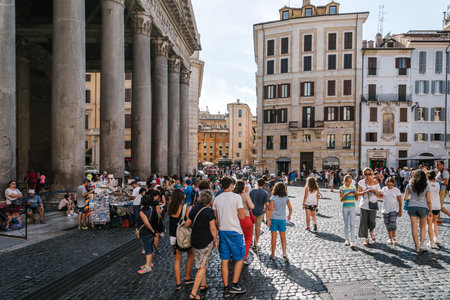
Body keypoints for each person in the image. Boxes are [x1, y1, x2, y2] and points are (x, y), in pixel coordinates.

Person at [213, 176, 247, 296]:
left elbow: (216, 219)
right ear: (231, 185)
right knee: (239, 258)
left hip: (222, 231)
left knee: (224, 260)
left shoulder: (216, 199)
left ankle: (226, 286)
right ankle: (235, 284)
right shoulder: (236, 197)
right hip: (234, 231)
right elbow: (242, 216)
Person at [185, 190, 218, 299]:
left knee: (201, 262)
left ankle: (203, 284)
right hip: (205, 241)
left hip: (195, 239)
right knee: (202, 267)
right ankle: (193, 294)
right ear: (210, 200)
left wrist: (196, 227)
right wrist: (216, 241)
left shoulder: (194, 209)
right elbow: (213, 228)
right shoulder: (209, 212)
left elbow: (187, 224)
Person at [168, 189, 194, 290]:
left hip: (173, 235)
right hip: (183, 235)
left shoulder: (170, 206)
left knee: (177, 259)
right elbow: (188, 221)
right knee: (190, 254)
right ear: (181, 196)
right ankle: (187, 277)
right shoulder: (184, 207)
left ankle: (178, 282)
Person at [404, 170, 432, 252]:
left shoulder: (409, 185)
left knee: (414, 227)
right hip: (423, 207)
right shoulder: (426, 186)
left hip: (412, 206)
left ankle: (416, 247)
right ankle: (422, 244)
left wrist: (411, 198)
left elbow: (405, 198)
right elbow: (429, 200)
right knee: (422, 227)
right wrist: (430, 210)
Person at [267, 182, 292, 262]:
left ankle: (273, 254)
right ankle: (284, 253)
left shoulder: (273, 197)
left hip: (274, 219)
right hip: (282, 219)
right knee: (283, 238)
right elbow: (290, 208)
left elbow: (271, 210)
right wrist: (289, 215)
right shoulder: (286, 197)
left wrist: (268, 220)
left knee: (273, 237)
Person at [358, 167, 383, 246]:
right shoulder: (361, 182)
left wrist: (374, 191)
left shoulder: (375, 181)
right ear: (363, 174)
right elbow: (358, 193)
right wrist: (366, 191)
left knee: (372, 221)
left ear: (372, 174)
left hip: (373, 203)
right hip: (364, 205)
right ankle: (366, 238)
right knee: (364, 222)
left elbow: (380, 193)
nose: (367, 175)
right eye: (366, 174)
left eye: (369, 174)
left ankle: (371, 231)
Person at [233, 180, 254, 264]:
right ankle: (244, 257)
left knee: (236, 238)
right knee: (248, 238)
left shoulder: (233, 195)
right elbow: (252, 206)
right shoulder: (245, 195)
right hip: (245, 217)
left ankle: (234, 254)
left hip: (235, 218)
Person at [137, 195, 157, 274]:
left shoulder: (142, 212)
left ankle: (148, 267)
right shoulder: (152, 209)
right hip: (150, 232)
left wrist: (152, 230)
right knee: (150, 247)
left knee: (148, 249)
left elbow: (146, 223)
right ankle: (148, 263)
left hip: (146, 232)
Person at [380, 177, 402, 246]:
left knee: (393, 223)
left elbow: (400, 201)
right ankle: (390, 238)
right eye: (388, 185)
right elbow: (380, 197)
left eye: (391, 185)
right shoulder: (383, 189)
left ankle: (394, 238)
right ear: (386, 184)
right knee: (387, 224)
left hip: (394, 209)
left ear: (393, 184)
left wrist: (400, 210)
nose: (389, 186)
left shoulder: (396, 190)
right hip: (385, 209)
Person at [249, 178, 269, 251]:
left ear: (257, 184)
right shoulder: (265, 193)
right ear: (263, 185)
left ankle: (250, 241)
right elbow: (267, 204)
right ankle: (255, 244)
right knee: (257, 229)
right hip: (260, 212)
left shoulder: (252, 191)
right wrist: (265, 210)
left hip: (252, 212)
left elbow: (249, 201)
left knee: (251, 228)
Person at [339, 174, 358, 248]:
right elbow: (341, 200)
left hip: (352, 207)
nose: (349, 183)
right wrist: (346, 194)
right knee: (346, 224)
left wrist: (356, 194)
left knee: (352, 224)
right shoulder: (341, 188)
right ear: (344, 181)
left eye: (350, 181)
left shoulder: (353, 187)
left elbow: (356, 199)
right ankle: (347, 239)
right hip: (345, 207)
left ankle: (352, 241)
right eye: (348, 181)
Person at [426, 171, 441, 248]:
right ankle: (436, 238)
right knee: (434, 222)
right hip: (437, 205)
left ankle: (430, 241)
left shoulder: (426, 184)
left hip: (429, 206)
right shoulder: (438, 184)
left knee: (429, 224)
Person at [435, 160, 450, 225]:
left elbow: (446, 182)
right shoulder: (439, 172)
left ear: (442, 165)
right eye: (436, 164)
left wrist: (437, 183)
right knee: (437, 205)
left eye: (438, 164)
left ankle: (438, 219)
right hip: (439, 190)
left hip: (442, 190)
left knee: (439, 206)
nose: (436, 166)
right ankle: (437, 219)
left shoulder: (445, 172)